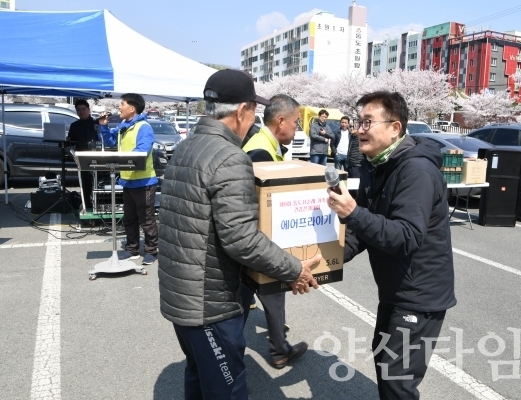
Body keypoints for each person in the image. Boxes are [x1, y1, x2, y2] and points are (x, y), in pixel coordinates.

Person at [157, 69, 321, 400]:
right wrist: (294, 269)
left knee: (197, 376)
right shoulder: (229, 157)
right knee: (227, 389)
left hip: (180, 293)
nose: (254, 119)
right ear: (242, 110)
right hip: (210, 303)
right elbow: (241, 239)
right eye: (254, 111)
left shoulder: (187, 147)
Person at [326, 91, 456, 400]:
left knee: (398, 380)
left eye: (367, 122)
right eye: (358, 122)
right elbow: (365, 230)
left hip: (418, 296)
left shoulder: (416, 172)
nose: (359, 129)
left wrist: (352, 213)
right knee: (387, 364)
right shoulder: (378, 165)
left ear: (395, 127)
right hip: (396, 290)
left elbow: (405, 236)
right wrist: (321, 262)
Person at [240, 94, 308, 369]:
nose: (297, 128)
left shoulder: (265, 144)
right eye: (295, 123)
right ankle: (278, 350)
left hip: (251, 240)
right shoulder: (261, 152)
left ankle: (274, 346)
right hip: (258, 240)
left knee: (247, 294)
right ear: (280, 121)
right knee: (270, 291)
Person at [98, 93, 159, 266]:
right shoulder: (124, 126)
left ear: (132, 108)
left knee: (147, 220)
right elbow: (109, 141)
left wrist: (121, 159)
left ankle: (151, 251)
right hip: (127, 181)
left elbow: (143, 150)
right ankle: (132, 249)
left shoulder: (144, 127)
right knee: (129, 218)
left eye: (122, 104)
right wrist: (103, 126)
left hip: (144, 182)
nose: (119, 107)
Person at [68, 99, 98, 208]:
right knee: (85, 184)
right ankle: (87, 205)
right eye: (79, 110)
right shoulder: (74, 125)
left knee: (97, 183)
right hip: (82, 159)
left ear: (89, 110)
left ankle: (98, 205)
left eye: (84, 109)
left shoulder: (97, 123)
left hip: (97, 158)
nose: (82, 112)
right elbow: (70, 141)